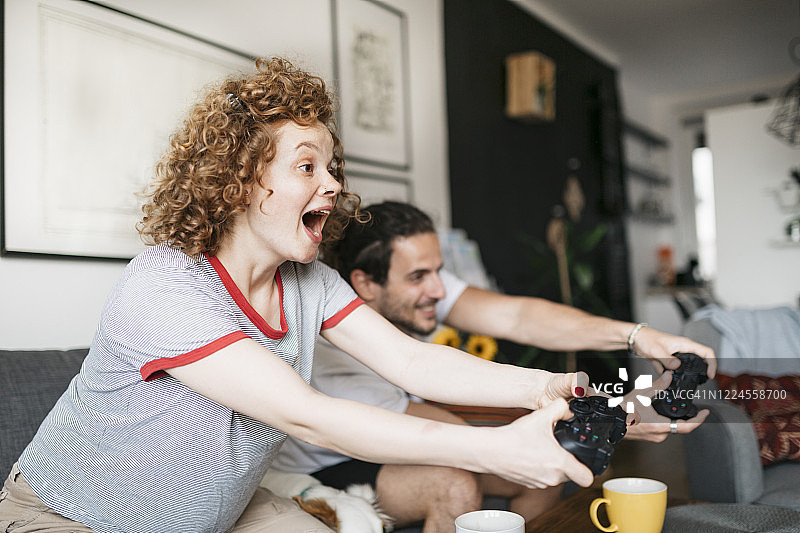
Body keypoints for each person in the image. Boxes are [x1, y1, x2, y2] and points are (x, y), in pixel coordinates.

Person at [0, 58, 596, 533]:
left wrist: (543, 387)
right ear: (237, 178)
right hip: (62, 518)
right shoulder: (164, 283)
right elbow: (306, 416)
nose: (332, 184)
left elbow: (413, 361)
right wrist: (495, 449)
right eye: (307, 167)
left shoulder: (309, 283)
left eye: (332, 168)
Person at [272, 201, 717, 531]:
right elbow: (448, 429)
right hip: (331, 462)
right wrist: (619, 415)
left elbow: (518, 316)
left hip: (406, 428)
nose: (437, 290)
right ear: (365, 284)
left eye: (438, 273)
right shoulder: (332, 348)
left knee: (544, 474)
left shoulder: (408, 289)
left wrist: (638, 334)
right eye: (418, 278)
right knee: (456, 483)